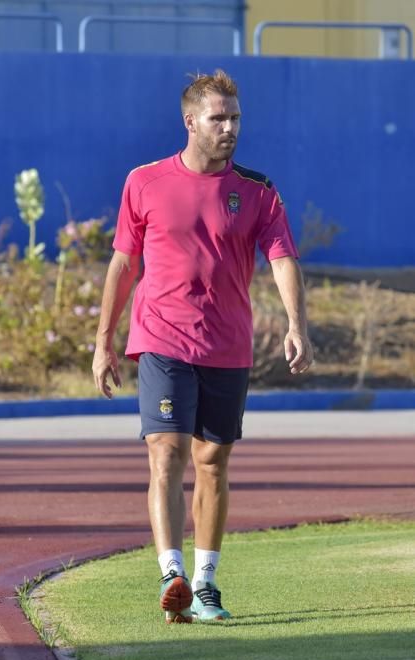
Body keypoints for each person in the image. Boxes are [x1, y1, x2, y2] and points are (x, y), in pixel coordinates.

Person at [92, 69, 313, 624]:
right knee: (165, 450)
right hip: (162, 336)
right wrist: (104, 343)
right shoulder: (143, 181)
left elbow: (282, 257)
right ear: (190, 122)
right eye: (219, 118)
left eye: (236, 117)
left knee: (211, 461)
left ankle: (206, 584)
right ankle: (172, 575)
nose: (230, 128)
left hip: (227, 343)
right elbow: (124, 262)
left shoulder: (258, 190)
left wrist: (296, 324)